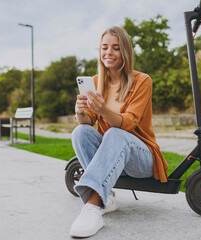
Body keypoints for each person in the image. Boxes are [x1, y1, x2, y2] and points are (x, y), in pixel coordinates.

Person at [69, 26, 168, 238]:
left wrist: (103, 109)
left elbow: (129, 124)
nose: (109, 53)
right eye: (104, 48)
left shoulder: (142, 81)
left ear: (125, 51)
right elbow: (88, 121)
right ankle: (108, 197)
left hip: (142, 157)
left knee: (114, 133)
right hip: (113, 157)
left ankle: (93, 207)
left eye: (115, 48)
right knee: (80, 132)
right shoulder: (96, 82)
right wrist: (80, 112)